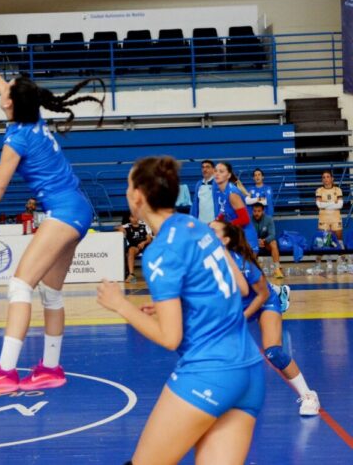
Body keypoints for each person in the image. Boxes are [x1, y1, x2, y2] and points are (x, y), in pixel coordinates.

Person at [0, 4, 103, 395]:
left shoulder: (16, 138)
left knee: (19, 286)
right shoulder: (30, 117)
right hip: (79, 207)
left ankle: (5, 372)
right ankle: (50, 368)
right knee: (51, 291)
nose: (2, 85)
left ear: (11, 101)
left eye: (7, 87)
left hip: (63, 212)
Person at [97, 156, 264, 465]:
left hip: (210, 373)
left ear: (138, 197)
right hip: (249, 370)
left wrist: (120, 304)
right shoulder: (198, 227)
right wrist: (186, 304)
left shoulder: (160, 251)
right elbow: (239, 287)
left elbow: (170, 338)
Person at [211, 220, 320, 416]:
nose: (207, 231)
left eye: (213, 230)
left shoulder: (242, 262)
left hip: (264, 302)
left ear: (225, 240)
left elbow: (261, 295)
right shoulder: (205, 262)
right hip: (237, 308)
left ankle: (308, 395)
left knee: (273, 352)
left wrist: (242, 316)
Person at [213, 161, 260, 252]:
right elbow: (223, 212)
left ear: (229, 175)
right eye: (215, 171)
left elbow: (245, 219)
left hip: (246, 239)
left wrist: (225, 227)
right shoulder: (221, 191)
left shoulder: (232, 194)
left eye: (221, 171)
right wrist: (214, 223)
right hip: (236, 236)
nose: (217, 174)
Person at [251, 202, 283, 279]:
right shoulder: (249, 220)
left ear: (263, 211)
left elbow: (272, 235)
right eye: (255, 211)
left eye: (259, 211)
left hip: (266, 243)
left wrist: (264, 241)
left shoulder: (269, 219)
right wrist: (256, 241)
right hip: (254, 243)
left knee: (274, 243)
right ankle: (252, 270)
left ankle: (277, 269)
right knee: (249, 245)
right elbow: (246, 234)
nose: (256, 213)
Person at [118, 213, 152, 283]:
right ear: (130, 218)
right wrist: (121, 229)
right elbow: (116, 227)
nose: (135, 219)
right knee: (130, 250)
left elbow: (149, 239)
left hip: (145, 245)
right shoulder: (127, 226)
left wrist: (143, 243)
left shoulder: (144, 225)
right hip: (134, 247)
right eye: (132, 217)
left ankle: (153, 275)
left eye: (136, 217)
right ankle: (131, 276)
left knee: (150, 252)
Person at [316, 170, 343, 244]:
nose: (326, 179)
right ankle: (321, 254)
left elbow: (340, 205)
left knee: (339, 240)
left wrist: (324, 204)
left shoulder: (338, 190)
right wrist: (334, 203)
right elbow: (319, 205)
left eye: (328, 177)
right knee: (322, 242)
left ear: (332, 178)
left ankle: (341, 254)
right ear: (322, 180)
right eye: (323, 177)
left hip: (336, 219)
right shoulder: (319, 190)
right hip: (323, 219)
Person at [190, 159, 215, 224]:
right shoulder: (198, 184)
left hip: (215, 222)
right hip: (201, 222)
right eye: (203, 167)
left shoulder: (218, 183)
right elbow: (195, 203)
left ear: (213, 170)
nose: (205, 169)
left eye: (207, 167)